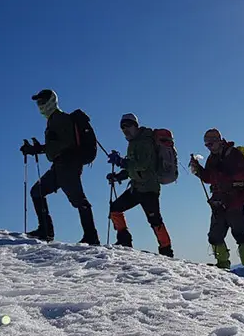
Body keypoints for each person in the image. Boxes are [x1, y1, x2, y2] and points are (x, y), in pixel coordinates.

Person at [20, 89, 100, 245]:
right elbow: (56, 145)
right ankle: (45, 230)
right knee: (37, 192)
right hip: (60, 166)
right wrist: (39, 148)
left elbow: (65, 144)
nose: (40, 106)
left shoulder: (60, 119)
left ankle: (91, 236)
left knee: (79, 200)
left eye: (42, 102)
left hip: (68, 165)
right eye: (38, 103)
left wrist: (40, 149)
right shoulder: (54, 119)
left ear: (51, 101)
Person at [106, 113, 174, 257]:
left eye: (128, 125)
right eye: (122, 127)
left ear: (135, 125)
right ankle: (124, 241)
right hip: (137, 187)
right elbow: (133, 168)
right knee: (115, 209)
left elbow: (142, 165)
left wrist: (120, 162)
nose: (125, 129)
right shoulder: (133, 142)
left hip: (149, 189)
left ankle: (166, 251)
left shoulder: (144, 141)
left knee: (155, 220)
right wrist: (118, 176)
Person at [189, 128, 244, 270]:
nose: (209, 147)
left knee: (240, 234)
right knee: (215, 235)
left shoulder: (233, 154)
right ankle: (223, 264)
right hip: (220, 200)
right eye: (206, 144)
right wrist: (199, 170)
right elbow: (209, 178)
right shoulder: (212, 158)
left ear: (219, 141)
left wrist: (222, 176)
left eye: (211, 143)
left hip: (234, 199)